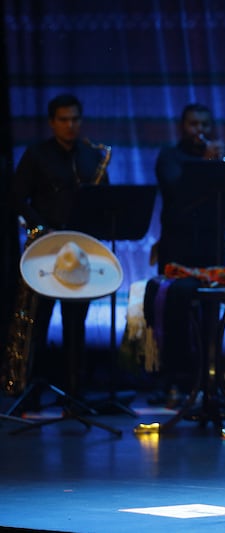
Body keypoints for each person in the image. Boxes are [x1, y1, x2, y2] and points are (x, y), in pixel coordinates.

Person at [10, 93, 110, 400]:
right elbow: (16, 197)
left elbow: (104, 198)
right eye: (64, 120)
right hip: (46, 248)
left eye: (75, 119)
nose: (71, 125)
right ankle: (30, 391)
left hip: (80, 250)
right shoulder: (37, 154)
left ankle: (74, 392)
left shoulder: (92, 155)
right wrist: (43, 227)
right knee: (37, 321)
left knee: (75, 322)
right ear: (53, 122)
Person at [153, 103, 225, 274]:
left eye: (205, 124)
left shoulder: (217, 157)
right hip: (177, 244)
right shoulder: (169, 156)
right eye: (193, 124)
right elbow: (177, 190)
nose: (200, 129)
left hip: (212, 244)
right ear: (182, 127)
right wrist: (205, 161)